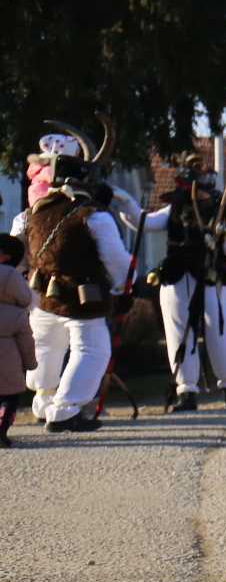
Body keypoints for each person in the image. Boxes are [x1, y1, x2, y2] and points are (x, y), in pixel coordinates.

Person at [15, 126, 134, 431]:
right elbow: (117, 260)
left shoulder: (31, 214)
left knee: (46, 346)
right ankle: (65, 409)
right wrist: (122, 290)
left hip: (41, 296)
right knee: (93, 350)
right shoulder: (93, 214)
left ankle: (43, 402)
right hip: (85, 297)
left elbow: (18, 256)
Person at [140, 154, 226, 410]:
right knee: (178, 331)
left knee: (220, 330)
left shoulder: (225, 214)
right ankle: (186, 390)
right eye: (201, 185)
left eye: (208, 184)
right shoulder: (174, 211)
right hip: (177, 276)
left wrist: (224, 240)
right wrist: (124, 205)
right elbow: (143, 223)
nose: (207, 190)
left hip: (211, 277)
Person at [0, 234, 37, 447]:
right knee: (10, 397)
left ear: (5, 256)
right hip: (9, 365)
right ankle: (2, 427)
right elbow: (26, 341)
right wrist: (30, 364)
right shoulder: (17, 315)